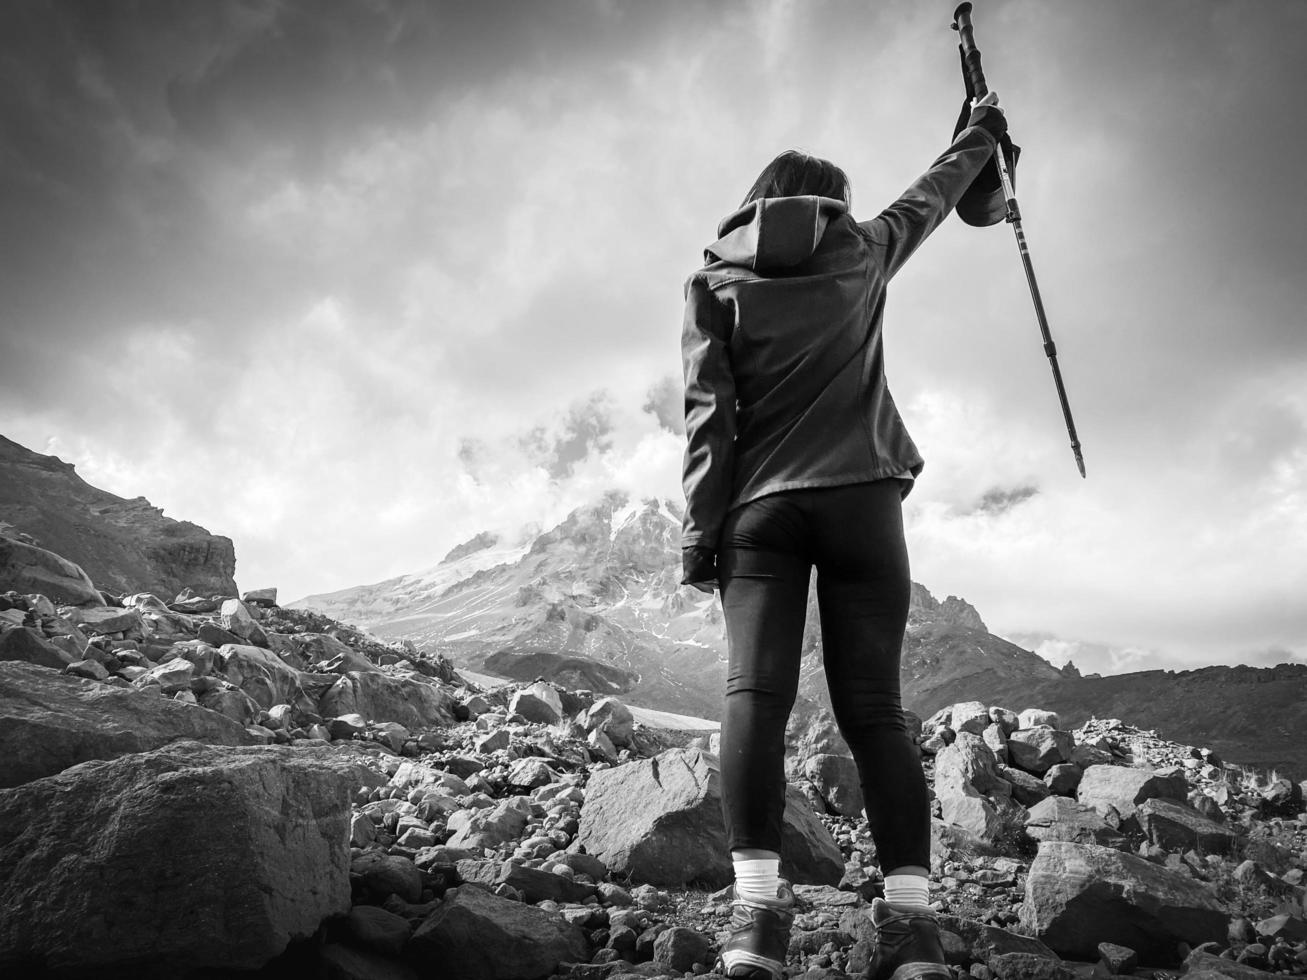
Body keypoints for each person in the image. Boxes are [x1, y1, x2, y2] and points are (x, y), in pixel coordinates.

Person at [679, 93, 1008, 980]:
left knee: (754, 696)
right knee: (873, 710)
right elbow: (937, 192)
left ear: (755, 201)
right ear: (831, 205)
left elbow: (709, 418)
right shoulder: (862, 247)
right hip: (863, 498)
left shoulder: (713, 281)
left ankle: (756, 925)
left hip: (759, 511)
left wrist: (698, 537)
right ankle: (912, 934)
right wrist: (979, 129)